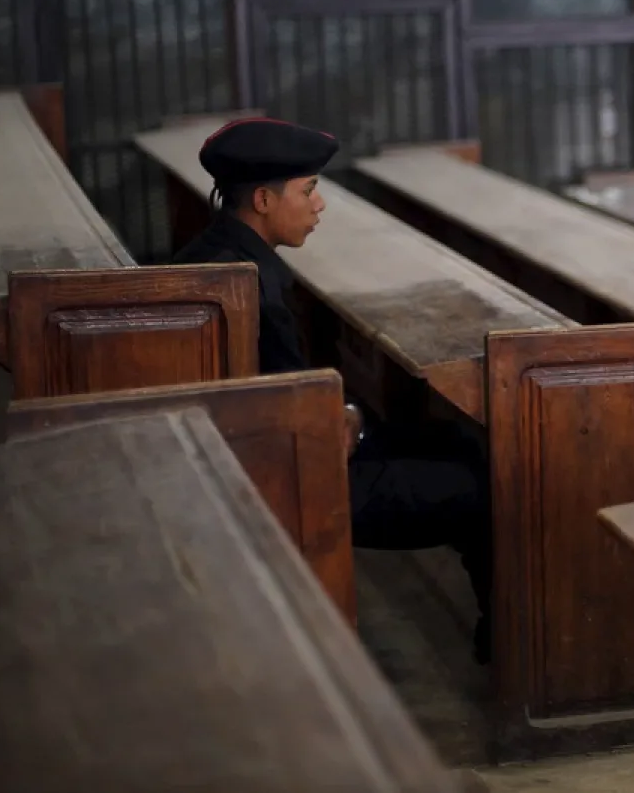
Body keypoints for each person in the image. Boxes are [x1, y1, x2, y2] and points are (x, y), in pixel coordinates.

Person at [173, 117, 492, 662]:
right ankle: (513, 650)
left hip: (265, 447)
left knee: (459, 442)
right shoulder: (244, 282)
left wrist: (346, 412)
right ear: (264, 201)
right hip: (287, 473)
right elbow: (286, 411)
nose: (319, 206)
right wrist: (343, 418)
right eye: (310, 190)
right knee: (485, 487)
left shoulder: (219, 254)